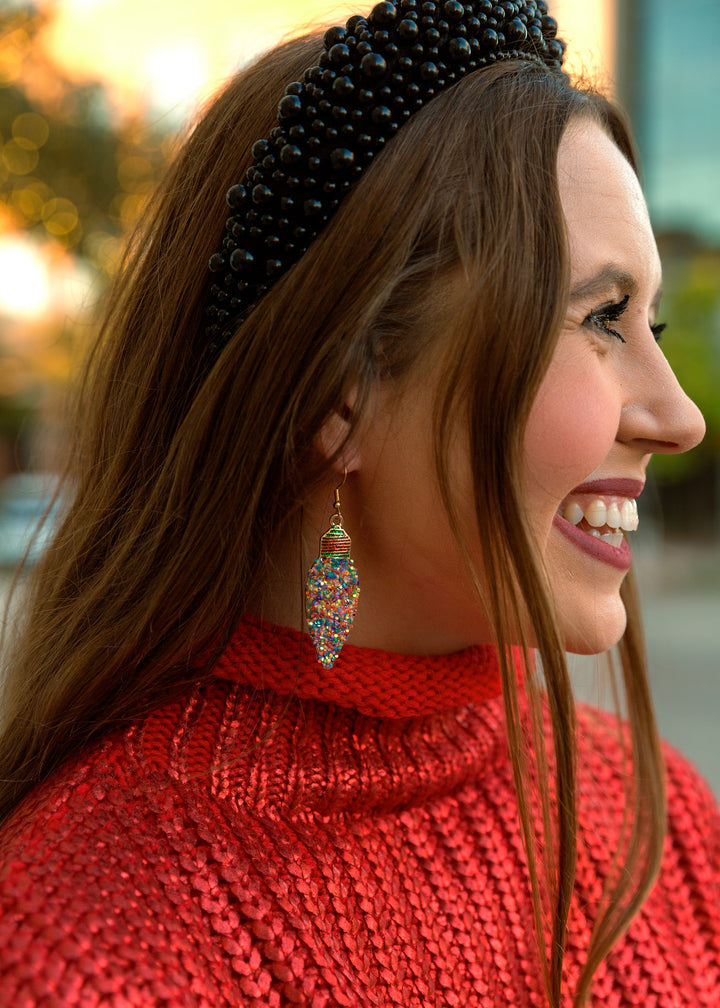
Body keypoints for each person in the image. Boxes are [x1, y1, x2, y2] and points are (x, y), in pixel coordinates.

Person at [0, 1, 718, 1005]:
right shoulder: (80, 952)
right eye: (603, 318)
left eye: (656, 319)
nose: (679, 415)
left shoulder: (667, 829)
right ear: (340, 390)